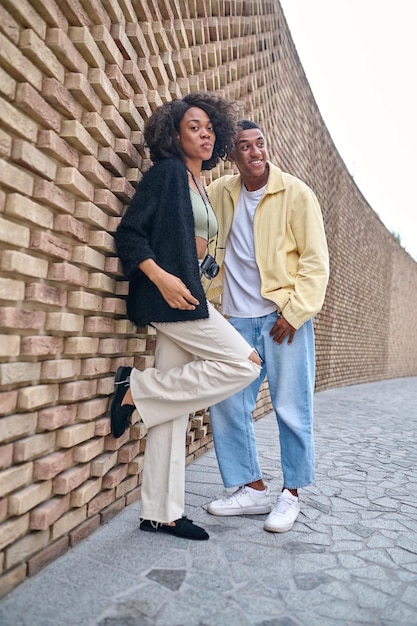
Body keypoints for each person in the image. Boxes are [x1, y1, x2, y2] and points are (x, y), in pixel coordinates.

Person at [111, 96, 262, 541]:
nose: (205, 133)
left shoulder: (200, 184)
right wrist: (162, 280)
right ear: (174, 135)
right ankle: (135, 389)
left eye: (209, 127)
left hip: (189, 296)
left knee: (171, 413)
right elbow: (130, 234)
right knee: (245, 364)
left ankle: (160, 512)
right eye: (193, 127)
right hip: (172, 300)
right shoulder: (168, 174)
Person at [205, 120, 329, 532]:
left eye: (260, 143)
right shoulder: (221, 192)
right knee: (226, 402)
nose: (256, 152)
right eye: (245, 146)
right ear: (232, 155)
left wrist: (294, 313)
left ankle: (291, 494)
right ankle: (252, 489)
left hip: (283, 320)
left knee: (292, 407)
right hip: (236, 320)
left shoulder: (296, 194)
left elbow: (315, 262)